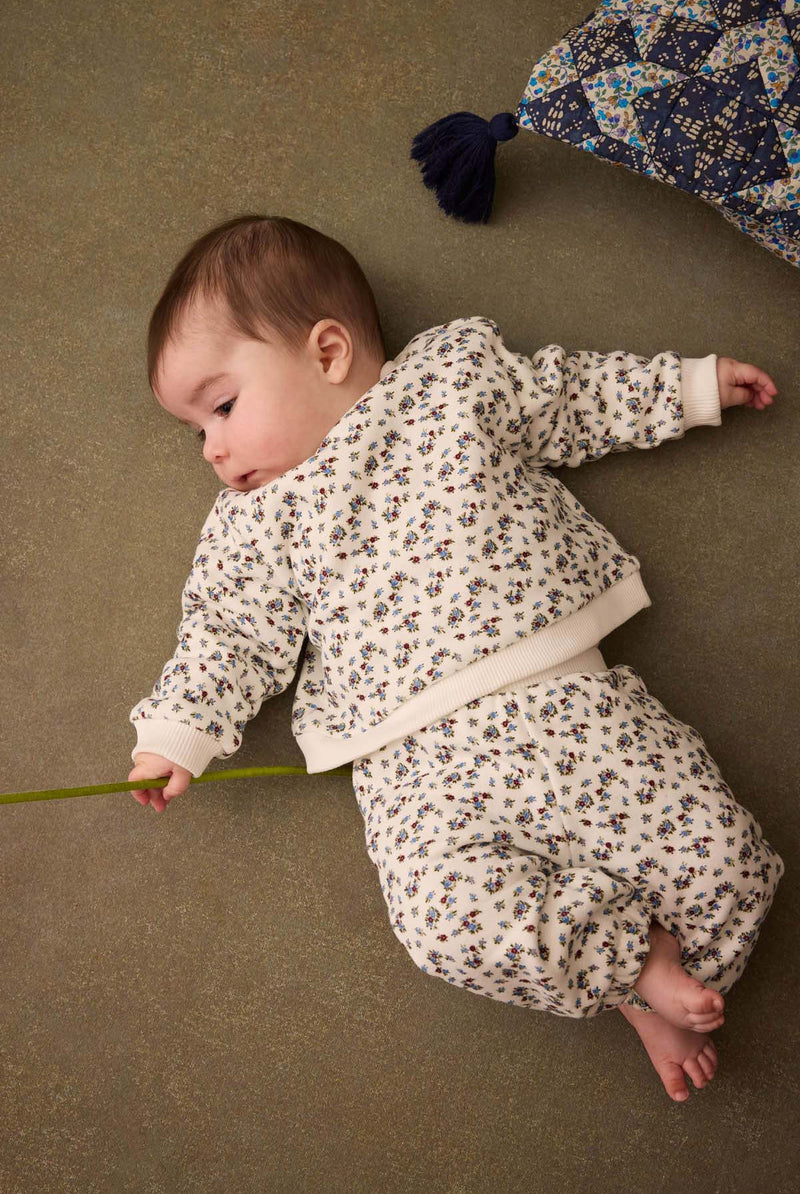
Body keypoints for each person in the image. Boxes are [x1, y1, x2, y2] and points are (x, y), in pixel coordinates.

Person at [128, 214, 784, 1104]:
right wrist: (176, 735)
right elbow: (227, 632)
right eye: (195, 431)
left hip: (570, 708)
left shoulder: (450, 384)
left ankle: (638, 975)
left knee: (728, 867)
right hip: (421, 773)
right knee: (445, 924)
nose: (212, 449)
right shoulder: (254, 522)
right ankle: (633, 973)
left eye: (223, 407)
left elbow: (570, 398)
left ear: (328, 352)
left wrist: (689, 387)